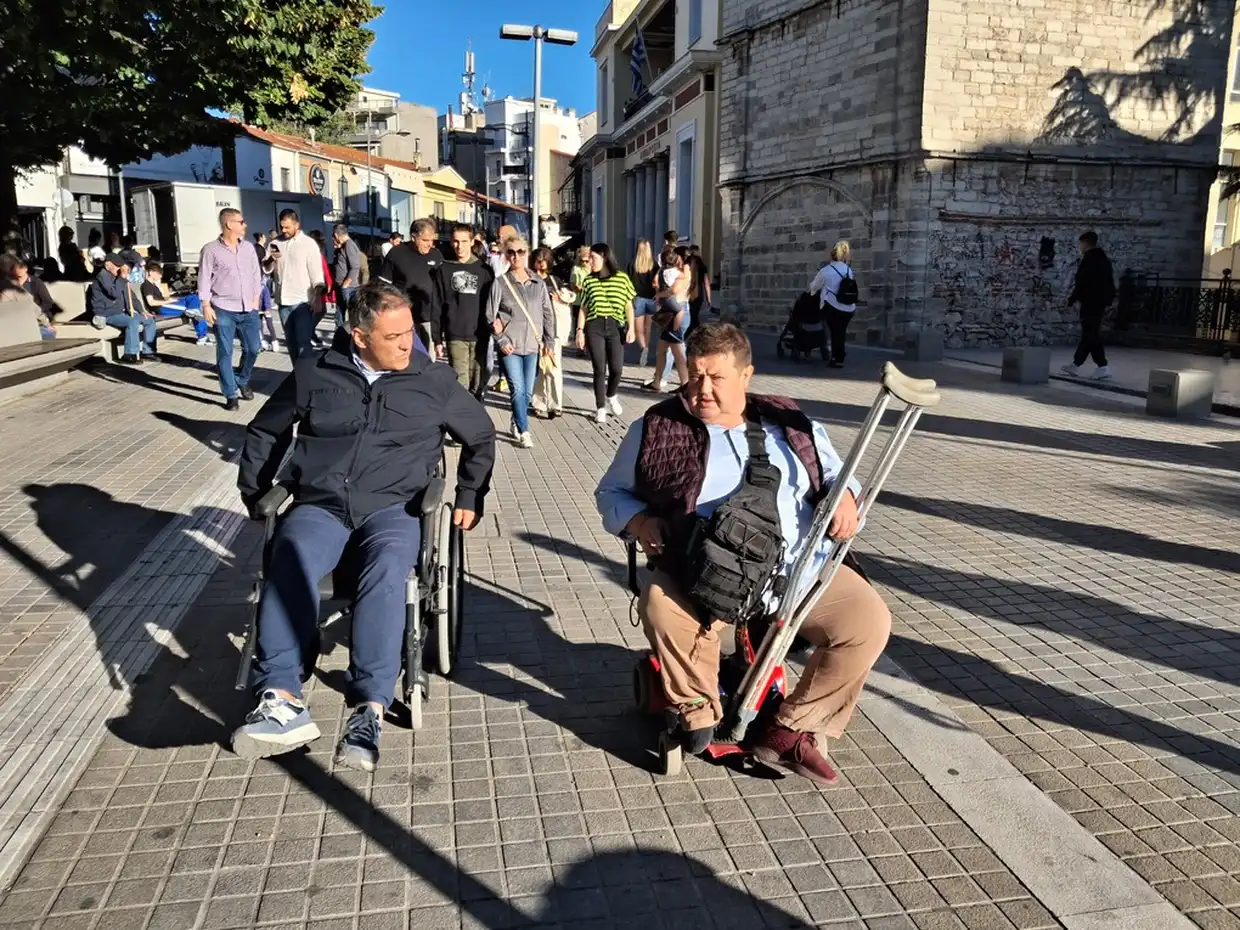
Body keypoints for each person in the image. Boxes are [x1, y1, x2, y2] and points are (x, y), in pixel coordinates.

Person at [596, 323, 891, 785]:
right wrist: (639, 522)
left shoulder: (790, 422)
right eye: (694, 376)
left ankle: (789, 727)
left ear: (746, 375)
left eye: (716, 378)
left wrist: (847, 498)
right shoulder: (656, 427)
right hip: (700, 573)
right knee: (658, 603)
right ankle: (697, 708)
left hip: (797, 571)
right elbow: (611, 492)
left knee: (867, 623)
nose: (702, 390)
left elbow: (839, 474)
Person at [234, 283, 496, 771]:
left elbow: (480, 435)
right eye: (393, 336)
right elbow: (266, 430)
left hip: (394, 508)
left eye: (409, 332)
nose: (407, 343)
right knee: (288, 558)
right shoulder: (314, 371)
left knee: (388, 570)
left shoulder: (433, 381)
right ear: (359, 336)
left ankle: (369, 706)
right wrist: (256, 491)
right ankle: (281, 698)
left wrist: (468, 494)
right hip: (322, 504)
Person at [486, 235, 555, 449]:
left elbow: (548, 314)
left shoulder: (538, 283)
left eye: (520, 251)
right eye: (511, 252)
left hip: (533, 345)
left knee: (527, 392)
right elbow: (490, 315)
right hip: (510, 347)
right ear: (506, 256)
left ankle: (516, 420)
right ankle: (524, 431)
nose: (516, 256)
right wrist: (501, 339)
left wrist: (549, 342)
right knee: (517, 389)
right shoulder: (500, 283)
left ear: (527, 253)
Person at [199, 208, 263, 410]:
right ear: (229, 224)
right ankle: (230, 394)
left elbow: (256, 275)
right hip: (223, 308)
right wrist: (206, 305)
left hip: (249, 308)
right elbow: (204, 279)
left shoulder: (248, 248)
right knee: (225, 352)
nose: (245, 225)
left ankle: (242, 379)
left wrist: (256, 300)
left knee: (253, 348)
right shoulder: (210, 250)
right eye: (241, 222)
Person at [576, 243, 636, 423]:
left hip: (615, 326)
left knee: (617, 368)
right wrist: (579, 331)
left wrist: (631, 327)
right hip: (595, 326)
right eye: (588, 259)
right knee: (599, 369)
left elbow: (628, 305)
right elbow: (583, 308)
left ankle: (611, 394)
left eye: (593, 258)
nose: (590, 262)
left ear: (604, 257)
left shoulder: (622, 279)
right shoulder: (588, 281)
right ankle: (600, 407)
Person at [439, 224, 494, 391]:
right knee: (460, 384)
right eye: (456, 241)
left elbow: (491, 302)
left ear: (471, 242)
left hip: (479, 333)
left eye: (464, 241)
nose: (459, 246)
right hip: (455, 333)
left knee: (477, 383)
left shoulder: (484, 270)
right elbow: (438, 303)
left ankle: (476, 406)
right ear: (451, 242)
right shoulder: (444, 269)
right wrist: (436, 336)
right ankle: (462, 408)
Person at [378, 218, 444, 351]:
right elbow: (383, 286)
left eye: (432, 240)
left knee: (427, 358)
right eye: (425, 240)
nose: (429, 244)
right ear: (413, 237)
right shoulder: (396, 254)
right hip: (403, 316)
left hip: (428, 318)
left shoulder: (436, 255)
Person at [270, 210, 325, 361]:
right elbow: (266, 267)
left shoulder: (308, 244)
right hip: (283, 302)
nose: (283, 230)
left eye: (287, 227)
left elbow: (316, 274)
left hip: (302, 302)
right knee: (291, 344)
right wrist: (270, 260)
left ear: (296, 225)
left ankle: (306, 373)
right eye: (281, 227)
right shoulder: (275, 243)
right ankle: (297, 372)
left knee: (303, 343)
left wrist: (318, 299)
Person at [1062, 230, 1116, 381]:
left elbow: (1082, 283)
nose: (1080, 246)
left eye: (1081, 243)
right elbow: (1109, 282)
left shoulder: (1089, 259)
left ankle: (1102, 366)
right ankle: (1076, 364)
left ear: (1085, 243)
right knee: (1089, 333)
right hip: (1100, 302)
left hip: (1090, 301)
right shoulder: (1104, 259)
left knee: (1091, 334)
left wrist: (1071, 300)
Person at [89, 252, 157, 364]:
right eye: (117, 266)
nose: (120, 268)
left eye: (120, 265)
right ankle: (129, 354)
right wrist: (122, 278)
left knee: (150, 319)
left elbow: (133, 298)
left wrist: (142, 311)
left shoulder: (120, 277)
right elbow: (114, 293)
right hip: (108, 314)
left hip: (122, 312)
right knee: (132, 321)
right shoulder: (103, 276)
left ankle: (148, 352)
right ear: (107, 265)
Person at [531, 246, 574, 419]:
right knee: (540, 369)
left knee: (554, 367)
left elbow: (568, 297)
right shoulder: (528, 279)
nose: (540, 267)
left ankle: (555, 404)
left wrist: (560, 298)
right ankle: (539, 402)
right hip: (533, 329)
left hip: (553, 330)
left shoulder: (554, 281)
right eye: (537, 263)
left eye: (543, 263)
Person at [807, 239, 858, 368]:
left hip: (832, 306)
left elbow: (814, 287)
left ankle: (835, 357)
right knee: (840, 332)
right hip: (848, 308)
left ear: (831, 255)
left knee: (834, 331)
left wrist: (812, 293)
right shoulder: (848, 270)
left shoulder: (826, 271)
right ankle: (839, 356)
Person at [649, 246, 693, 393]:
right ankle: (657, 381)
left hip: (678, 312)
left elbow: (674, 290)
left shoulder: (685, 271)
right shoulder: (673, 271)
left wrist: (659, 295)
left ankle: (685, 385)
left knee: (677, 352)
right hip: (672, 312)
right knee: (662, 349)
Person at [628, 239, 659, 360]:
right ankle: (647, 347)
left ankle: (643, 348)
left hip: (638, 299)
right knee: (648, 328)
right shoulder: (654, 265)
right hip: (652, 299)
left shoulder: (632, 265)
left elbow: (629, 284)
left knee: (638, 329)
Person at [331, 224, 363, 328]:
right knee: (339, 314)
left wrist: (345, 284)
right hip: (341, 286)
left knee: (352, 316)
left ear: (336, 235)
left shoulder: (350, 245)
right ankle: (340, 333)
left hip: (348, 287)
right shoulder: (344, 246)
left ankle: (351, 335)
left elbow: (355, 267)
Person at [686, 245, 712, 333]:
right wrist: (708, 299)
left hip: (687, 293)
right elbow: (706, 283)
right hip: (698, 293)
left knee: (690, 317)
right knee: (694, 316)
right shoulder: (702, 265)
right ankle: (696, 333)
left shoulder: (686, 262)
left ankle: (691, 334)